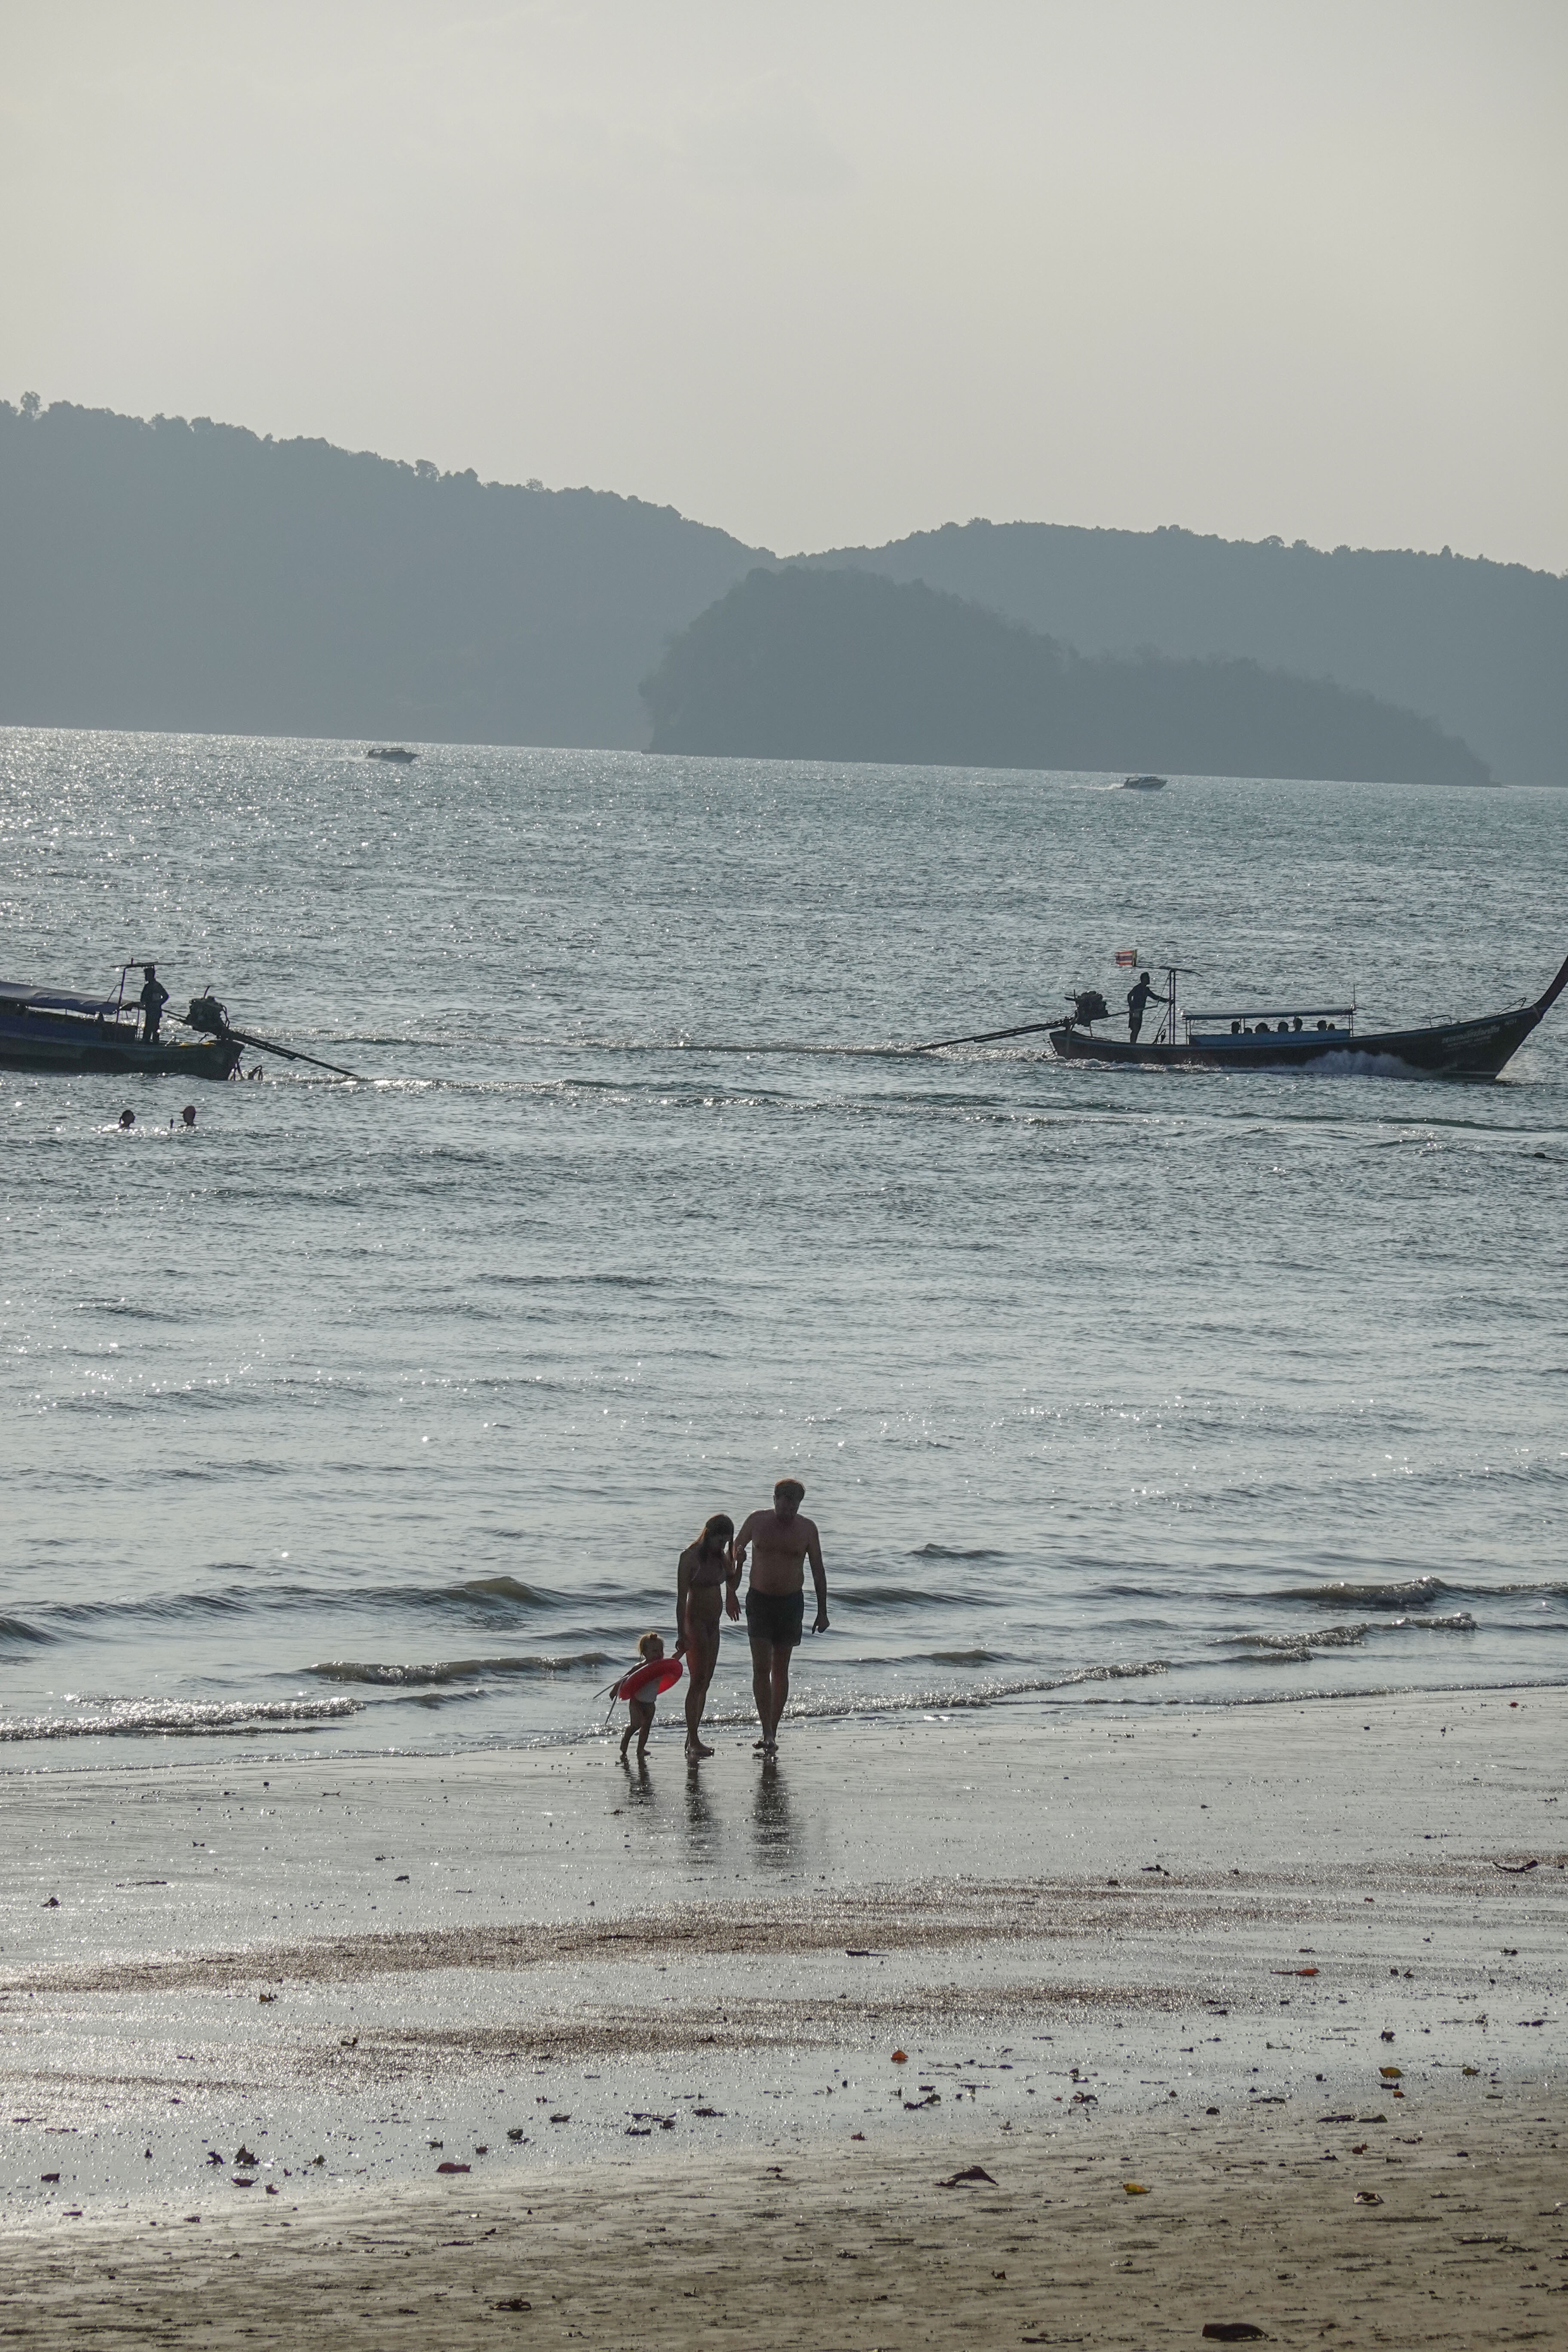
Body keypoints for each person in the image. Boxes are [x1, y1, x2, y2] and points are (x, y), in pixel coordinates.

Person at [732, 1478, 828, 1760]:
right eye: (784, 1501)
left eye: (794, 1503)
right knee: (761, 1668)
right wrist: (734, 1575)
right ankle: (767, 1731)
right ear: (774, 1498)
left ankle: (772, 1730)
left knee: (781, 1669)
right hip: (759, 1600)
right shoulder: (757, 1521)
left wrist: (822, 1611)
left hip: (790, 1603)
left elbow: (818, 1571)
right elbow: (734, 1553)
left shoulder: (807, 1529)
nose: (788, 1507)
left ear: (800, 1504)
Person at [674, 1513, 736, 1762]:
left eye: (726, 1543)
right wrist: (681, 1634)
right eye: (719, 1541)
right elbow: (680, 1600)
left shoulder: (721, 1557)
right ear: (708, 1535)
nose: (722, 1547)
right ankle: (693, 1739)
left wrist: (738, 1562)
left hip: (714, 1624)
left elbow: (733, 1583)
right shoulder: (689, 1558)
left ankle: (692, 1737)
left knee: (707, 1680)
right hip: (695, 1622)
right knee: (697, 1680)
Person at [618, 1629, 668, 1764]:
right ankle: (625, 1742)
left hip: (651, 1702)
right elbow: (624, 1679)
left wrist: (681, 1651)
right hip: (637, 1701)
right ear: (645, 1653)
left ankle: (641, 1749)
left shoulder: (661, 1667)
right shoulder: (640, 1667)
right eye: (654, 1651)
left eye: (661, 1651)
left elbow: (674, 1663)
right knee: (636, 1725)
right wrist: (615, 1691)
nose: (659, 1654)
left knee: (646, 1727)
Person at [138, 964, 169, 1046]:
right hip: (149, 1010)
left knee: (154, 1028)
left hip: (155, 1011)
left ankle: (152, 1044)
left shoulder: (156, 986)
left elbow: (166, 996)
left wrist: (158, 1003)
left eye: (146, 975)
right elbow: (142, 999)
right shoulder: (148, 986)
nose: (145, 977)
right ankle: (147, 1042)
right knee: (148, 1028)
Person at [1126, 969, 1158, 1044]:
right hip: (1135, 1011)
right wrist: (1131, 1006)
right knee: (1135, 1029)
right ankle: (1132, 1044)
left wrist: (1166, 1000)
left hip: (1140, 1012)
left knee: (1138, 1028)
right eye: (1148, 978)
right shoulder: (1138, 988)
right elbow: (1129, 995)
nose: (1149, 979)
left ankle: (1133, 1044)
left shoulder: (1146, 990)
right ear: (1144, 979)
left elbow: (1155, 997)